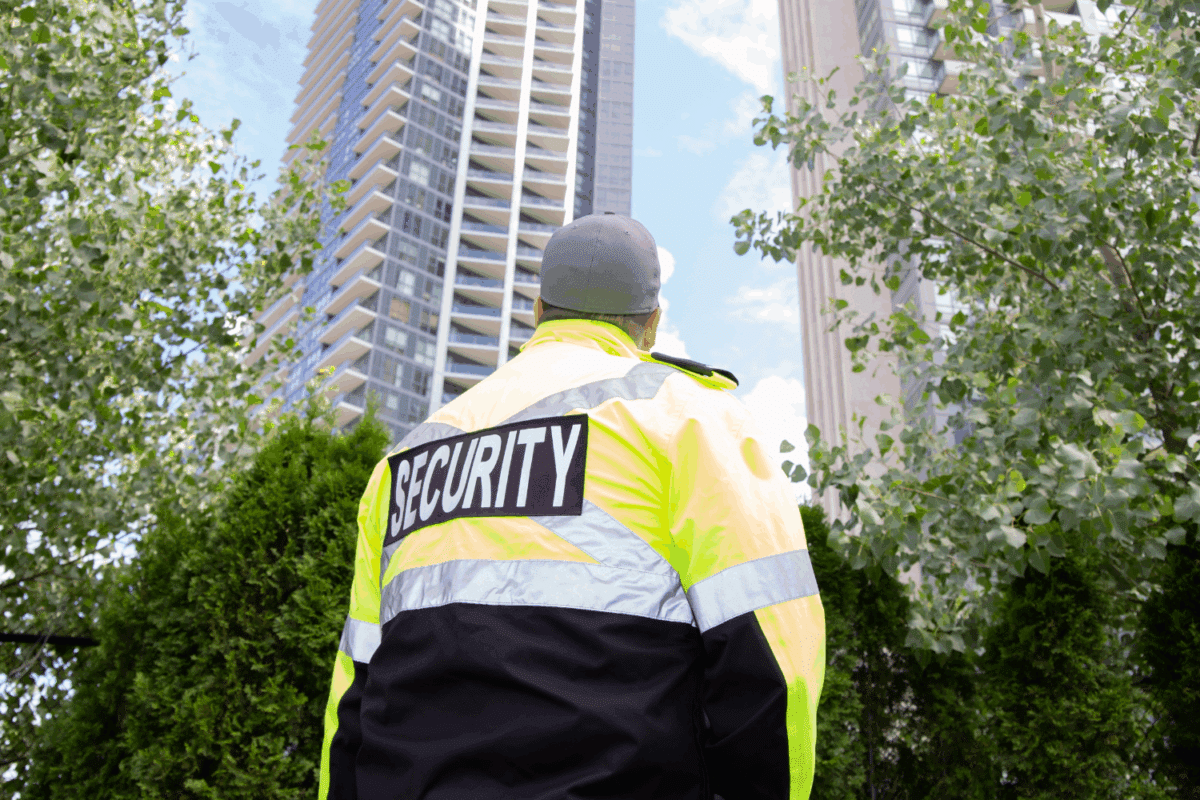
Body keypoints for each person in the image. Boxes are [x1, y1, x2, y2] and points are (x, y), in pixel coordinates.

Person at [319, 212, 825, 800]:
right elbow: (772, 659)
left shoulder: (402, 462)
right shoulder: (692, 422)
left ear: (537, 312)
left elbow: (351, 694)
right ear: (651, 325)